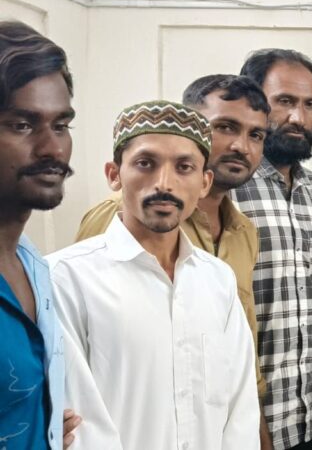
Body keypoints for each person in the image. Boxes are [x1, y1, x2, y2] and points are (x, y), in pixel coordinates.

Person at [73, 73, 274, 447]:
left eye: (255, 135)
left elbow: (237, 375)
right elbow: (79, 399)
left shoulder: (236, 245)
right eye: (226, 127)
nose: (241, 146)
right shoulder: (89, 251)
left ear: (203, 179)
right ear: (115, 175)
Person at [234, 48, 312, 450]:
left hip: (308, 418)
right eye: (285, 101)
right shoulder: (226, 189)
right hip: (245, 422)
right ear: (254, 105)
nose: (298, 117)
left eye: (309, 104)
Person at [0, 19, 80, 449]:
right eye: (22, 124)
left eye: (61, 125)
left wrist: (39, 426)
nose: (52, 148)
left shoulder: (34, 267)